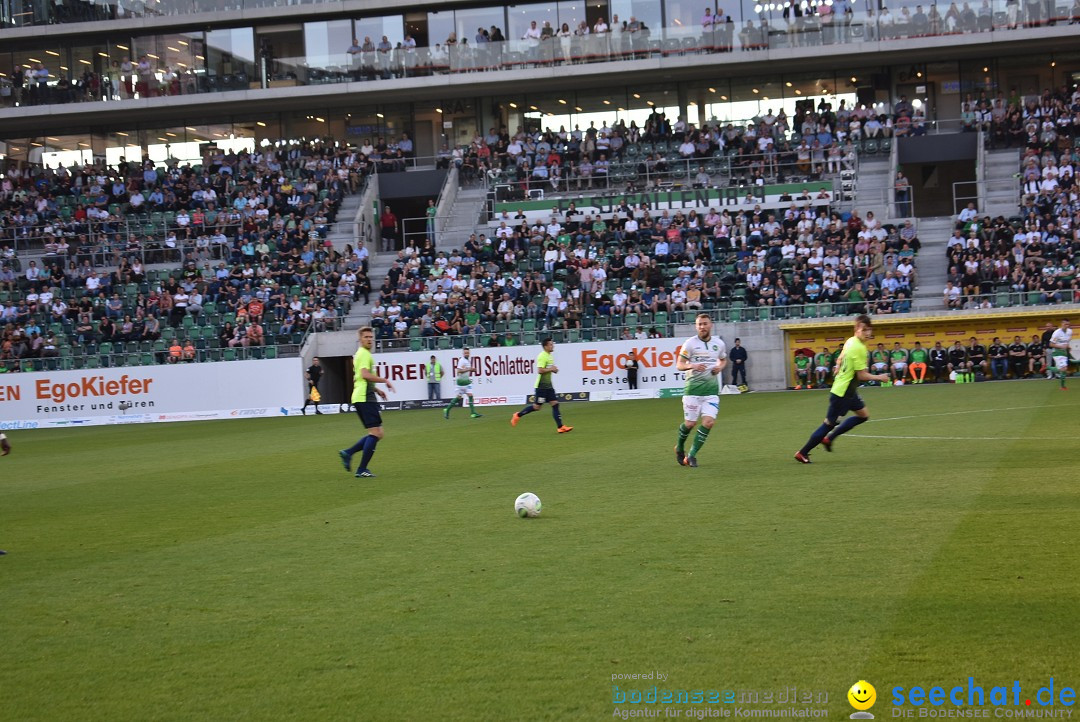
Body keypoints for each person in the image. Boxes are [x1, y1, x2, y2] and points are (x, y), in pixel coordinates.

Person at [794, 314, 890, 464]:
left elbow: (841, 357)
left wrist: (838, 366)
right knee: (828, 424)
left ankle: (829, 438)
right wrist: (880, 377)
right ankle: (803, 452)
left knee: (863, 415)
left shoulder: (851, 341)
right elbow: (862, 375)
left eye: (869, 330)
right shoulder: (858, 348)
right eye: (864, 330)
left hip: (849, 391)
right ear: (857, 329)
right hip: (842, 393)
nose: (868, 333)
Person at [339, 327, 395, 478]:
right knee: (376, 433)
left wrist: (377, 390)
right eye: (366, 337)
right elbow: (364, 375)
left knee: (377, 433)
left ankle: (349, 453)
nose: (369, 339)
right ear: (360, 339)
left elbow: (359, 377)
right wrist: (384, 381)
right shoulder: (364, 354)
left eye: (371, 337)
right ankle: (361, 468)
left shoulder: (361, 354)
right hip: (364, 397)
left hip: (363, 395)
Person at [673, 313, 727, 468]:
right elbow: (679, 365)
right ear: (696, 327)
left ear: (711, 325)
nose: (702, 327)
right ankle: (679, 447)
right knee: (690, 424)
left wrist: (719, 367)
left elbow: (723, 359)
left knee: (708, 423)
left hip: (711, 392)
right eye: (699, 325)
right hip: (693, 391)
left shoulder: (719, 344)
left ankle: (691, 455)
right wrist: (692, 365)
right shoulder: (690, 344)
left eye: (705, 323)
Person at [510, 337, 573, 433]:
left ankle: (560, 427)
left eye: (552, 344)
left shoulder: (549, 356)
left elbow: (548, 369)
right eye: (551, 344)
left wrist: (554, 370)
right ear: (545, 346)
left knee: (555, 404)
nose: (553, 346)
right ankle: (517, 415)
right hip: (541, 387)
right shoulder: (542, 356)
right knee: (536, 407)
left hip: (548, 386)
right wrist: (551, 369)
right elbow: (540, 370)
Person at [444, 347, 482, 419]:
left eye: (468, 352)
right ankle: (447, 409)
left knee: (470, 395)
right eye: (465, 353)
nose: (467, 354)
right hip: (461, 383)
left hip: (467, 382)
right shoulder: (462, 361)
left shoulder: (467, 361)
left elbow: (466, 370)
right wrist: (469, 369)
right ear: (463, 353)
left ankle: (473, 413)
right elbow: (458, 371)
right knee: (459, 398)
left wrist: (472, 370)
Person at [1048, 319, 1072, 390]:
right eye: (1065, 324)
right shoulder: (1057, 333)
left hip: (1064, 352)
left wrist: (1068, 346)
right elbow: (1051, 344)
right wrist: (1061, 346)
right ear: (1061, 324)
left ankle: (1047, 367)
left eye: (1068, 324)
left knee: (1063, 369)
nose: (1066, 326)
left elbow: (1067, 341)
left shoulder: (1069, 331)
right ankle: (1062, 387)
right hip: (1057, 352)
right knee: (1063, 369)